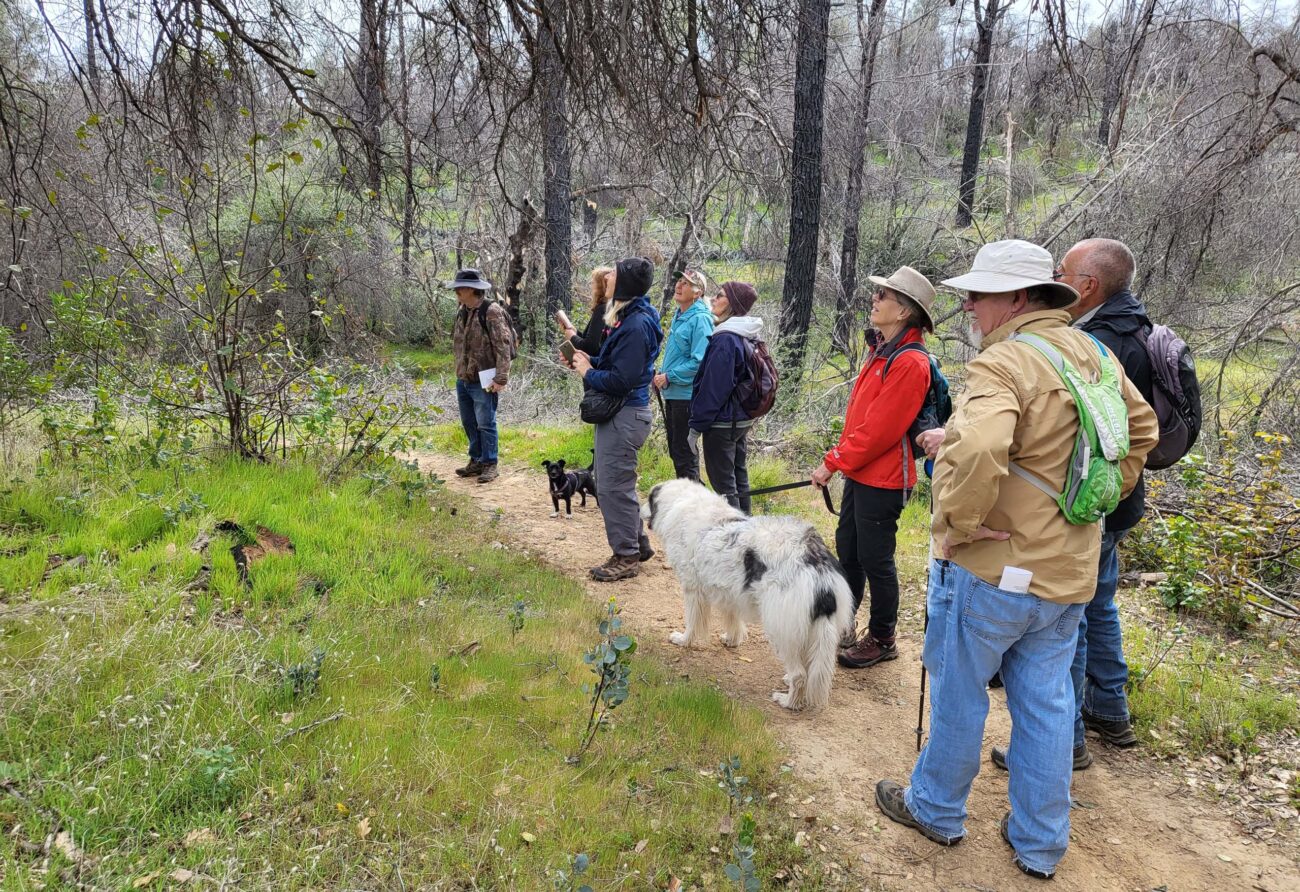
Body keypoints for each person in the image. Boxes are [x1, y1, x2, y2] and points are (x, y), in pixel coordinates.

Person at [874, 240, 1158, 882]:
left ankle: (937, 809)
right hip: (1068, 572)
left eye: (979, 293)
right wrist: (1096, 498)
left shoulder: (1003, 363)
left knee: (958, 690)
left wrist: (954, 527)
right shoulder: (1094, 353)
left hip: (993, 570)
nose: (969, 305)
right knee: (1048, 704)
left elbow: (976, 453)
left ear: (1020, 298)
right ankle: (1039, 842)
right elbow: (1142, 434)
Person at [992, 240, 1152, 774]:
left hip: (1077, 511)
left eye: (1062, 271)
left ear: (1087, 285)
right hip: (1099, 505)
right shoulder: (1133, 332)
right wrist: (1114, 489)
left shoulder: (1096, 341)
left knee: (1071, 624)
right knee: (1096, 608)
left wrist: (1098, 495)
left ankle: (1071, 740)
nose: (1054, 279)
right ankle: (1109, 710)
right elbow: (1141, 429)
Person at [810, 267, 937, 664]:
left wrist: (832, 462)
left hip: (884, 480)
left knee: (875, 559)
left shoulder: (910, 362)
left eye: (883, 295)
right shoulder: (881, 350)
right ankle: (843, 624)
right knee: (849, 550)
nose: (875, 299)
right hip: (862, 473)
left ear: (904, 312)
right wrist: (842, 461)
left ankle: (883, 639)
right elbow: (861, 421)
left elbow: (880, 431)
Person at [570, 257, 664, 581]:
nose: (606, 276)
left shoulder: (636, 326)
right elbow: (617, 363)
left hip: (625, 415)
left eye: (613, 272)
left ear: (622, 283)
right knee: (618, 484)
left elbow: (621, 380)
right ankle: (638, 543)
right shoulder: (629, 316)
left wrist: (588, 371)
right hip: (623, 413)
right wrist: (589, 358)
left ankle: (626, 557)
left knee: (611, 488)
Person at [688, 282, 763, 513]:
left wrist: (696, 428)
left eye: (719, 296)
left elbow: (713, 389)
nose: (713, 299)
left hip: (723, 422)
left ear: (732, 303)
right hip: (740, 418)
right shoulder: (748, 334)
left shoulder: (726, 339)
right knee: (739, 478)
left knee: (723, 484)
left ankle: (735, 539)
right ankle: (747, 531)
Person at [450, 268, 513, 484]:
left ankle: (490, 463)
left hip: (485, 379)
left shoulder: (491, 311)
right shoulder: (462, 310)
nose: (457, 291)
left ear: (472, 289)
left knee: (486, 422)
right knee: (469, 421)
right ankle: (476, 460)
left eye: (460, 288)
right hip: (464, 378)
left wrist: (501, 377)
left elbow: (503, 346)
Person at [653, 269, 714, 480]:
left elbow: (700, 361)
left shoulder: (701, 319)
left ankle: (694, 506)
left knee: (684, 453)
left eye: (686, 284)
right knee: (677, 451)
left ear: (698, 292)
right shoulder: (681, 316)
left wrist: (669, 376)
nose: (679, 286)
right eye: (679, 281)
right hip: (674, 394)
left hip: (686, 397)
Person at [564, 266, 614, 355]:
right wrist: (575, 332)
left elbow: (589, 348)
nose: (591, 285)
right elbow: (592, 340)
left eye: (593, 282)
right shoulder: (610, 308)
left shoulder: (603, 309)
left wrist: (571, 336)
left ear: (600, 286)